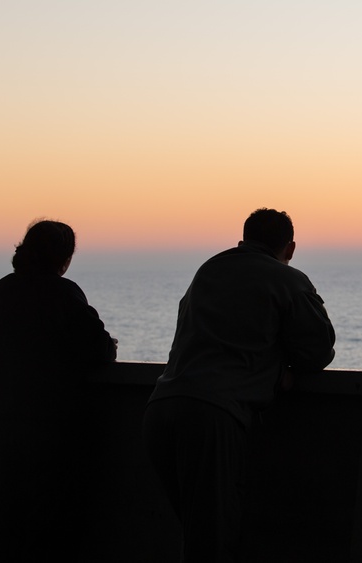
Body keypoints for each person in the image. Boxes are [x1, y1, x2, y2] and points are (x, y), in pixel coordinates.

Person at [142, 208, 335, 563]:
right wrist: (281, 371)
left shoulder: (208, 270)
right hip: (214, 416)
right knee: (214, 540)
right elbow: (317, 350)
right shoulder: (287, 280)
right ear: (290, 248)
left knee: (189, 531)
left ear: (243, 237)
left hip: (161, 409)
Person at [0, 220, 117, 562]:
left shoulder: (0, 291)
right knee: (53, 529)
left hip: (4, 424)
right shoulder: (63, 293)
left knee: (13, 525)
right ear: (63, 258)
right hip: (54, 432)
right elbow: (97, 348)